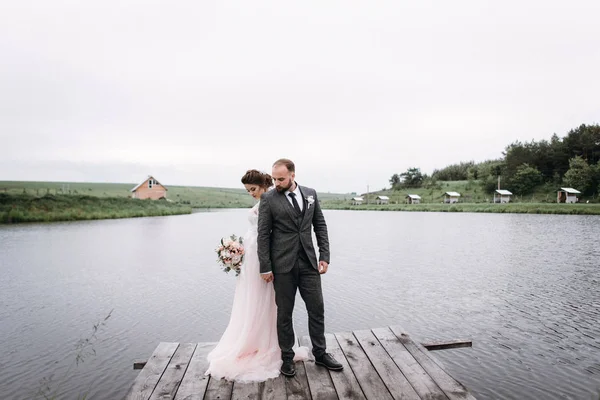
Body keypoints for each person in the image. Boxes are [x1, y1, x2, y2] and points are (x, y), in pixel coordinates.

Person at [205, 169, 308, 382]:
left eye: (253, 189)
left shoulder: (271, 202)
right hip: (251, 258)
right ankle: (250, 338)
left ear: (263, 185)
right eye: (248, 190)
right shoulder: (262, 202)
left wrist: (265, 264)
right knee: (250, 299)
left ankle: (266, 343)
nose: (251, 193)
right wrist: (234, 250)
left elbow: (270, 234)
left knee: (266, 300)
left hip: (262, 259)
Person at [257, 158, 343, 377]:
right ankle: (287, 358)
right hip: (282, 265)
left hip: (309, 263)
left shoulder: (311, 193)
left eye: (281, 178)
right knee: (284, 313)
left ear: (293, 175)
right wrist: (265, 266)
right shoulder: (268, 199)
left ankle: (321, 354)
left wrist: (325, 255)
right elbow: (263, 235)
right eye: (274, 178)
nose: (276, 182)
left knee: (317, 308)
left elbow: (320, 225)